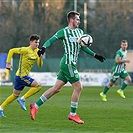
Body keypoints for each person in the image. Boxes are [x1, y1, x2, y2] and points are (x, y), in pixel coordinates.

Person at [30, 11, 105, 124]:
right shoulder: (64, 32)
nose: (79, 21)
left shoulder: (80, 32)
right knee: (78, 87)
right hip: (67, 62)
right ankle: (72, 114)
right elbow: (51, 40)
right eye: (77, 19)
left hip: (70, 63)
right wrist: (43, 48)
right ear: (71, 20)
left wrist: (95, 55)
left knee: (56, 89)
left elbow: (83, 47)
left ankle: (35, 106)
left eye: (79, 19)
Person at [0, 34, 43, 117]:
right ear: (31, 42)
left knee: (14, 95)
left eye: (38, 42)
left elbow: (40, 65)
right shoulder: (25, 50)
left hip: (20, 77)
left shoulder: (37, 51)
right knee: (38, 86)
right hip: (21, 76)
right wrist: (8, 63)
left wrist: (40, 57)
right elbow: (11, 51)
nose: (37, 44)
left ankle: (0, 108)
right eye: (36, 42)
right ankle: (23, 99)